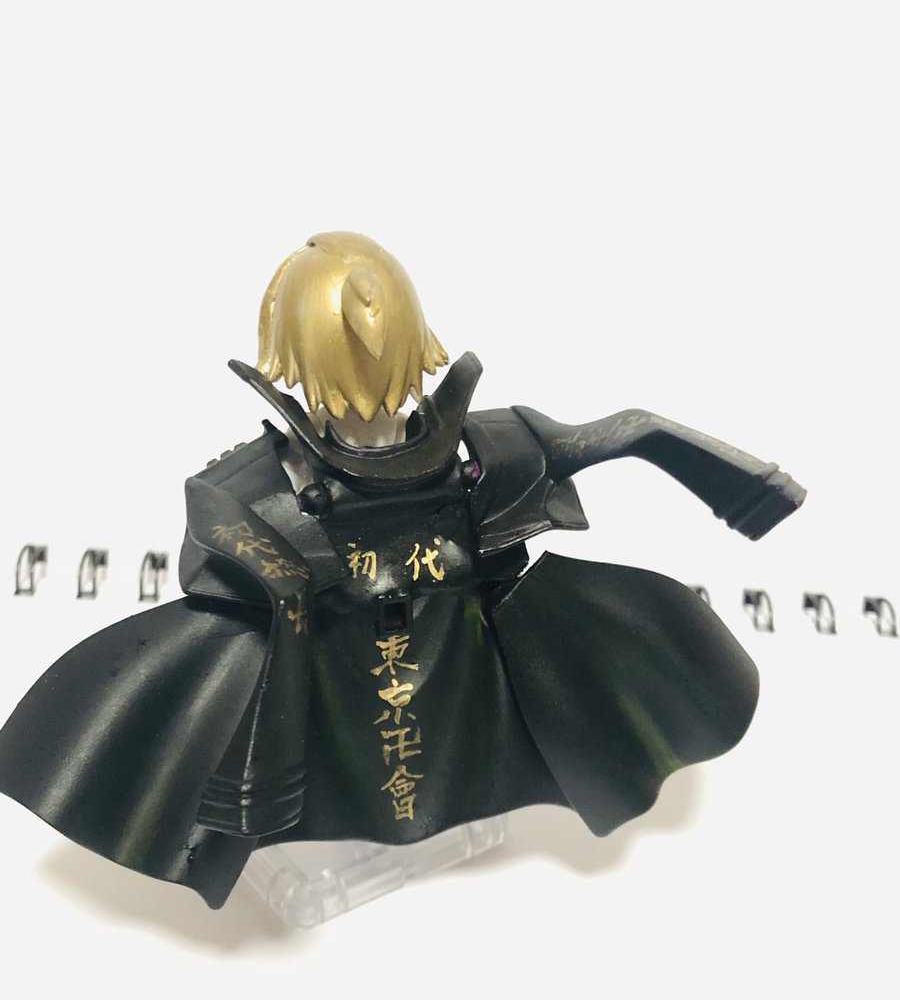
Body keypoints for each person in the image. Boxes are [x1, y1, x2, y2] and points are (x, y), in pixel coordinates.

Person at [0, 232, 805, 909]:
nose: (367, 388)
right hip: (326, 701)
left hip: (463, 684)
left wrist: (711, 468)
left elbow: (618, 432)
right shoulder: (248, 492)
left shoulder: (485, 453)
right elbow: (229, 563)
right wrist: (285, 612)